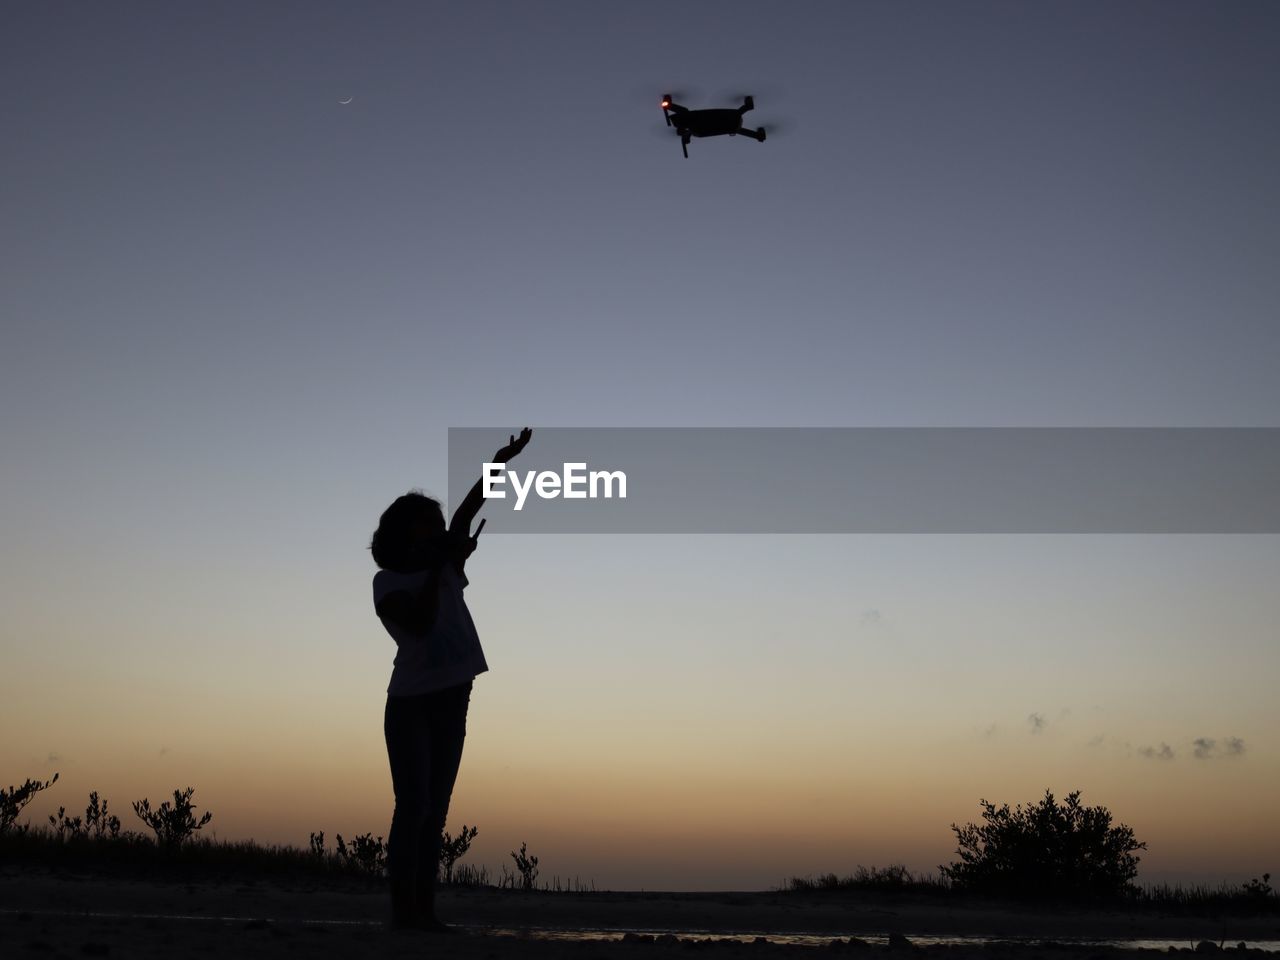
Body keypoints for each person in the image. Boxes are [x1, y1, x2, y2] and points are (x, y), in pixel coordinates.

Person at [369, 427, 533, 931]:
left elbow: (466, 510)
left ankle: (426, 913)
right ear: (405, 531)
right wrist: (443, 565)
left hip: (454, 696)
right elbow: (417, 623)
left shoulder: (443, 563)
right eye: (427, 525)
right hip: (412, 703)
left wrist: (499, 462)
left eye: (437, 524)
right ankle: (403, 914)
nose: (438, 529)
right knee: (413, 805)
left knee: (435, 812)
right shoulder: (390, 582)